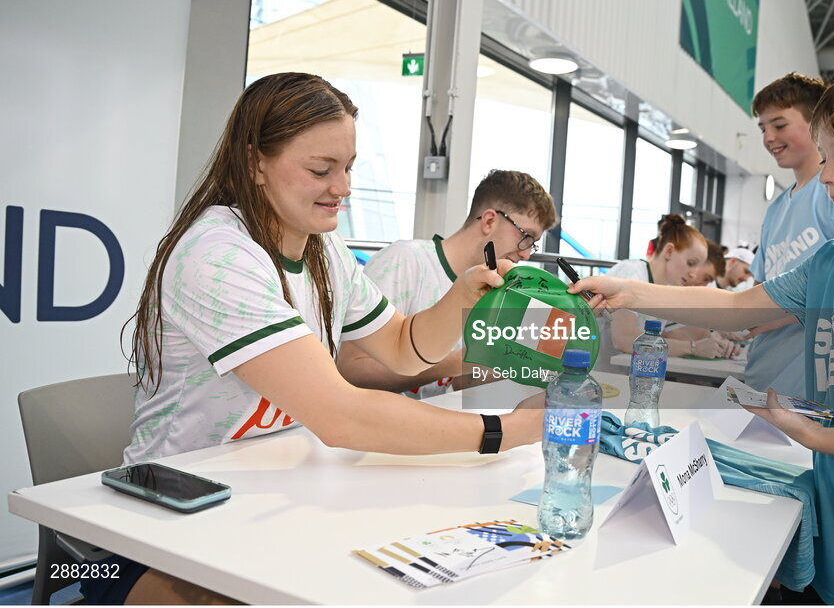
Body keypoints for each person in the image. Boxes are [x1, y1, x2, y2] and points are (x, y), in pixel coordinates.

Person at [95, 73, 560, 605]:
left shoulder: (323, 250)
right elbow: (343, 415)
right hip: (160, 523)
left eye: (348, 168)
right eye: (321, 170)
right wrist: (511, 429)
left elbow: (403, 347)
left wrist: (459, 301)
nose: (343, 188)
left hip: (270, 496)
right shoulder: (219, 255)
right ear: (255, 164)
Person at [571, 53, 834, 605]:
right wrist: (630, 291)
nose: (828, 174)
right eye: (827, 155)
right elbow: (741, 306)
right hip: (833, 530)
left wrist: (818, 437)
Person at [337, 169, 557, 398]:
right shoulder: (405, 260)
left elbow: (456, 385)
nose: (527, 254)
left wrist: (514, 359)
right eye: (527, 237)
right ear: (490, 220)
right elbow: (351, 369)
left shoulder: (494, 290)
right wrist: (457, 361)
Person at [746, 73, 834, 399]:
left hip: (814, 387)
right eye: (762, 128)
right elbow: (758, 290)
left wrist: (781, 313)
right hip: (763, 377)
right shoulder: (775, 210)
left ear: (816, 123)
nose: (769, 137)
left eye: (779, 125)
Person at [596, 214, 738, 370]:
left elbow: (677, 333)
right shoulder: (632, 273)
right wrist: (692, 348)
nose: (693, 274)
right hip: (597, 372)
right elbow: (624, 339)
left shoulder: (664, 289)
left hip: (625, 375)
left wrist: (716, 344)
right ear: (669, 251)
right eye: (690, 263)